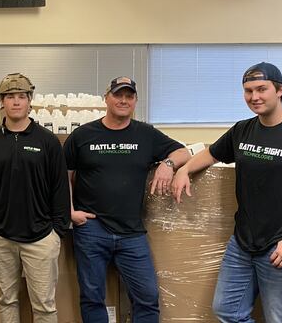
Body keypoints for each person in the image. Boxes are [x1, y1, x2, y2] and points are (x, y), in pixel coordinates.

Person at [171, 62, 282, 323]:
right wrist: (184, 170)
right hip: (243, 244)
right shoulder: (243, 130)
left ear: (280, 90)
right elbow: (210, 154)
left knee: (279, 319)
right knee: (227, 310)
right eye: (248, 90)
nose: (254, 97)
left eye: (261, 89)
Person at [64, 76, 190, 323]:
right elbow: (63, 177)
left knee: (147, 297)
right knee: (92, 297)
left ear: (135, 101)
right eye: (118, 95)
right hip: (91, 228)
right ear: (106, 98)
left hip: (131, 232)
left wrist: (168, 164)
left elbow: (183, 151)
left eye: (129, 96)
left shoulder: (146, 134)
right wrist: (70, 212)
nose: (123, 100)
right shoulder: (82, 135)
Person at [0, 72, 70, 323]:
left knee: (45, 306)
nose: (16, 102)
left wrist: (56, 232)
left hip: (41, 239)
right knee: (6, 300)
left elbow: (60, 188)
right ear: (1, 102)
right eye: (9, 97)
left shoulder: (47, 142)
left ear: (30, 101)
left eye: (21, 96)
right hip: (0, 236)